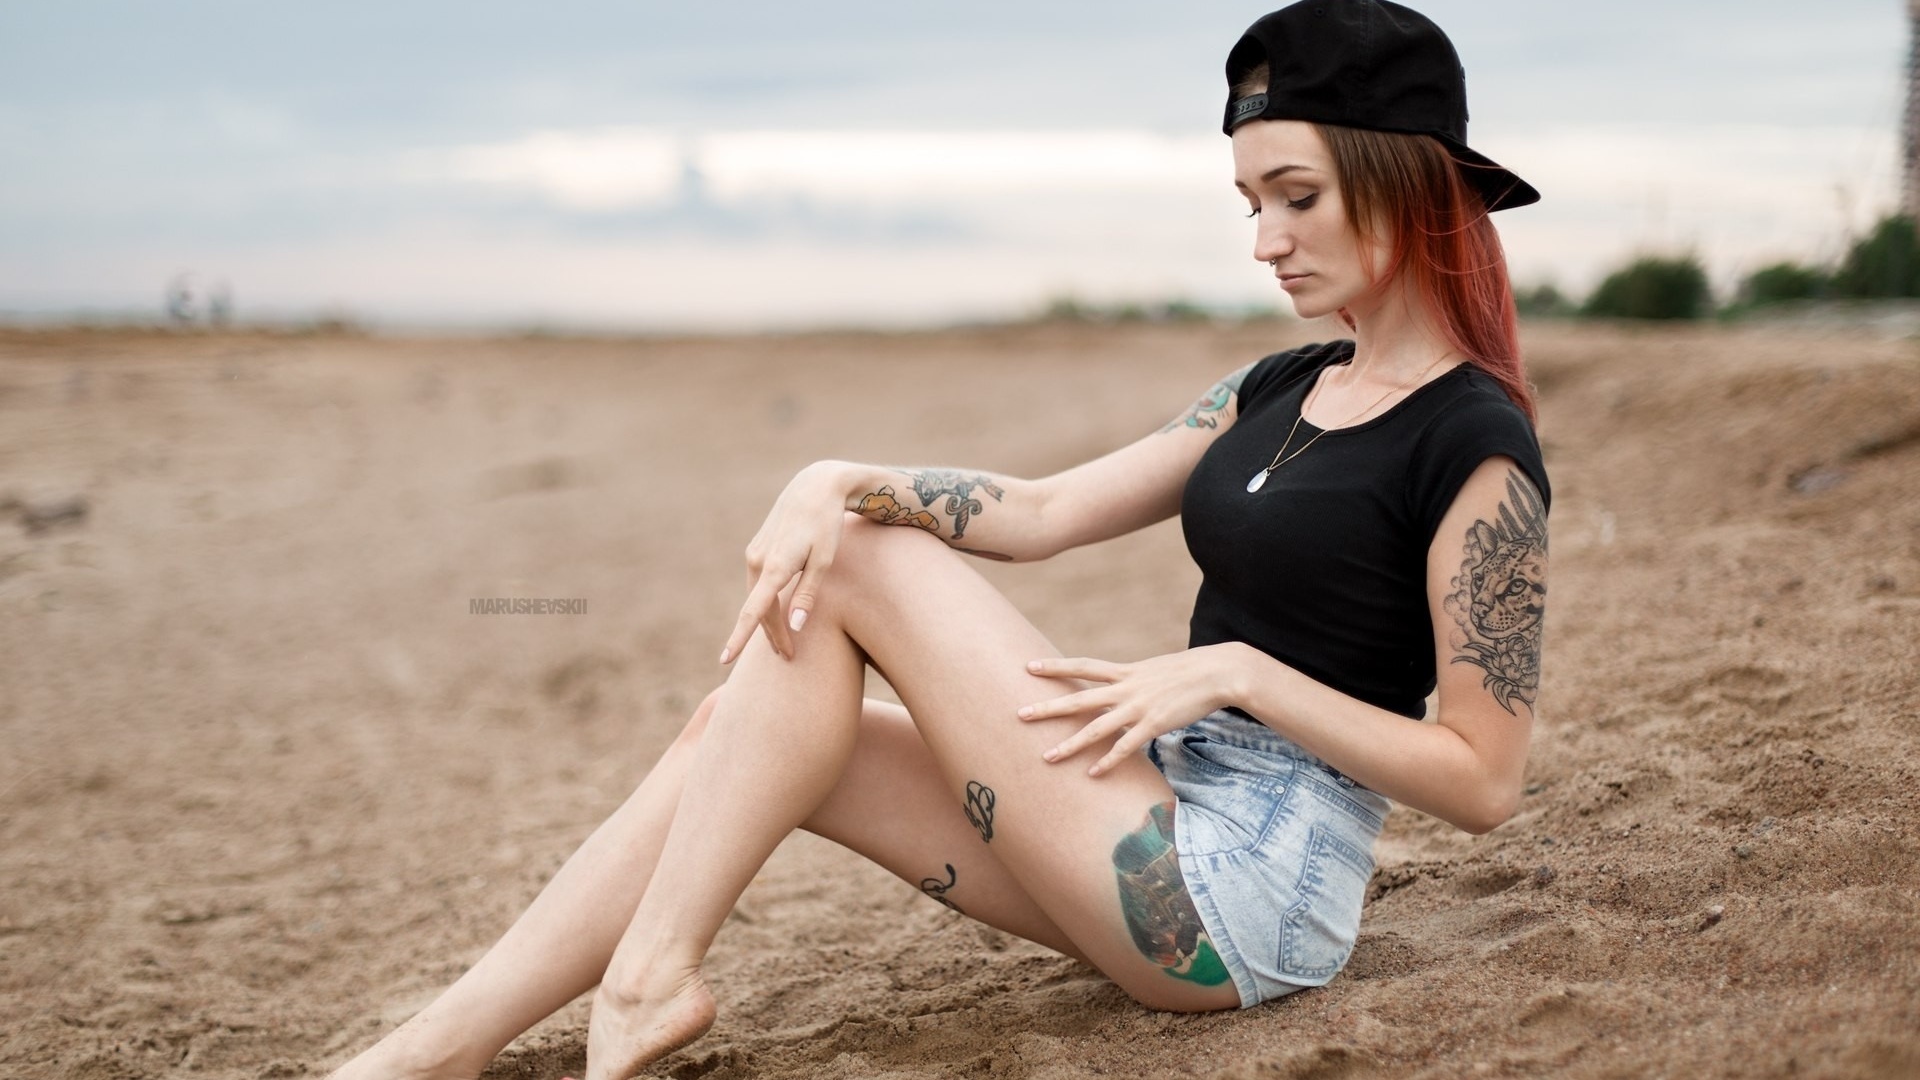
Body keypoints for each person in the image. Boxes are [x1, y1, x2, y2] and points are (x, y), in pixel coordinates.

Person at [328, 2, 1550, 1077]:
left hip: (1242, 902)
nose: (1264, 239)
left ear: (1404, 180)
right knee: (739, 733)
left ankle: (648, 976)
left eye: (1298, 197)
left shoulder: (1472, 445)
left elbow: (1484, 779)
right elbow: (1045, 513)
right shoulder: (1284, 383)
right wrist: (842, 474)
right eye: (1250, 202)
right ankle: (448, 1046)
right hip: (1148, 822)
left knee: (855, 562)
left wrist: (1240, 677)